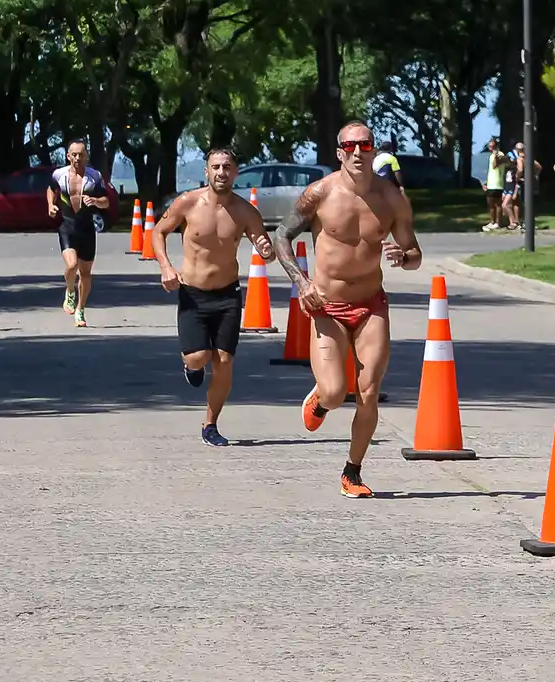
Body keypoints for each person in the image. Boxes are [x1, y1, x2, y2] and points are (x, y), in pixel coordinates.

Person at [273, 121, 422, 498]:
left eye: (365, 144)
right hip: (326, 305)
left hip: (371, 305)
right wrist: (302, 283)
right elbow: (282, 237)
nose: (358, 152)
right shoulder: (319, 193)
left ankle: (352, 472)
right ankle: (322, 399)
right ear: (339, 152)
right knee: (337, 392)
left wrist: (402, 257)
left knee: (368, 391)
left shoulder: (392, 198)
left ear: (375, 150)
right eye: (350, 146)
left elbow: (415, 254)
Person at [151, 148, 274, 447]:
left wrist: (265, 248)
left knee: (224, 361)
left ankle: (211, 424)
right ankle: (191, 367)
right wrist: (166, 267)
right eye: (216, 167)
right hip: (192, 294)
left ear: (236, 172)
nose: (221, 172)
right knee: (198, 358)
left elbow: (263, 245)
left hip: (228, 295)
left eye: (227, 167)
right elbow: (158, 232)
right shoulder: (188, 203)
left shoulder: (245, 211)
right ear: (206, 171)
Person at [47, 139, 109, 328]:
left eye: (81, 154)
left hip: (87, 228)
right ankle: (69, 291)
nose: (77, 158)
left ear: (86, 156)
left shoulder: (95, 177)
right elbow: (51, 190)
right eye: (74, 154)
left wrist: (96, 201)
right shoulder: (59, 174)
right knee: (72, 265)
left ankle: (80, 309)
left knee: (86, 273)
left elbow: (106, 201)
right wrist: (50, 204)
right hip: (67, 226)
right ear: (68, 156)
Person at [509, 141, 541, 230]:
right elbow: (539, 167)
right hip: (531, 182)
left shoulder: (520, 159)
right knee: (530, 203)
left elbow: (520, 169)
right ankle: (531, 222)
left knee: (524, 203)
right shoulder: (529, 158)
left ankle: (527, 223)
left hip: (524, 183)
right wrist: (535, 175)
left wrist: (517, 177)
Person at [482, 137, 508, 230]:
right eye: (489, 146)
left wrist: (495, 155)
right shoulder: (491, 155)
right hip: (491, 183)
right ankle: (493, 222)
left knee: (497, 204)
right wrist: (486, 183)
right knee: (490, 204)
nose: (490, 148)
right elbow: (491, 170)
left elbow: (495, 165)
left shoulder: (500, 155)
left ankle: (497, 222)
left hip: (497, 183)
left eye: (492, 146)